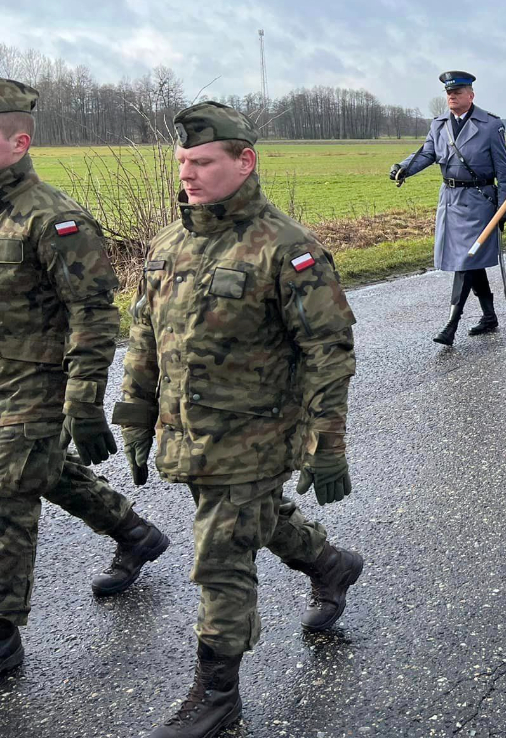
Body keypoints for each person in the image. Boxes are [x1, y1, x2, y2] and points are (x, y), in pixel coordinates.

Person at [115, 101, 363, 738]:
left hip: (255, 436)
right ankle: (329, 565)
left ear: (243, 161)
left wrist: (325, 442)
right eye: (182, 163)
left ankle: (217, 693)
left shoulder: (287, 249)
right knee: (258, 519)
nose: (188, 175)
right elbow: (144, 336)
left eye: (202, 162)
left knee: (220, 555)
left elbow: (326, 352)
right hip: (188, 433)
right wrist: (136, 417)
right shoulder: (171, 241)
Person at [0, 80, 170, 679]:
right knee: (41, 468)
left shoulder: (54, 220)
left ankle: (2, 633)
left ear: (19, 141)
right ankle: (135, 532)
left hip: (42, 379)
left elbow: (95, 312)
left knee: (8, 484)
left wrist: (82, 397)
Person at [391, 71, 506, 345]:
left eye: (457, 92)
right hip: (451, 200)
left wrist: (505, 208)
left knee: (466, 261)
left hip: (480, 201)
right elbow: (427, 153)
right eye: (449, 92)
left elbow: (504, 172)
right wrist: (403, 168)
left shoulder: (491, 125)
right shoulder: (439, 124)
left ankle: (452, 323)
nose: (452, 96)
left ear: (471, 95)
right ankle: (489, 316)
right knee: (471, 261)